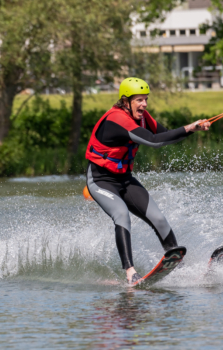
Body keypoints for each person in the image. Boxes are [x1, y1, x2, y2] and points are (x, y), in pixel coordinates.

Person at [86, 77, 211, 284]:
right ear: (125, 101)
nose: (144, 104)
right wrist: (188, 128)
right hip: (101, 180)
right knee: (121, 214)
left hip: (124, 179)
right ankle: (130, 273)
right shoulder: (117, 119)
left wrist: (193, 128)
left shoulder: (142, 118)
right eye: (139, 100)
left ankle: (181, 268)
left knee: (159, 219)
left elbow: (165, 135)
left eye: (145, 100)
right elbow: (153, 141)